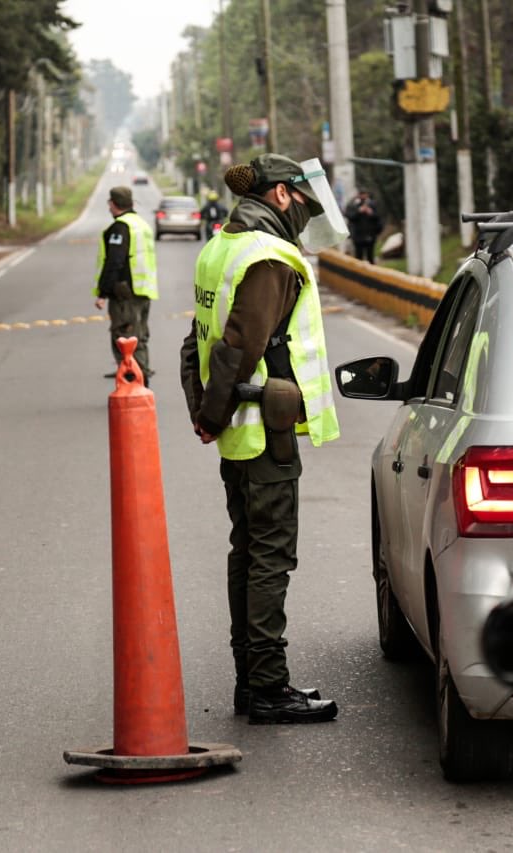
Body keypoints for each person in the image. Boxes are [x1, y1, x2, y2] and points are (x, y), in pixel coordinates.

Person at [180, 153, 346, 725]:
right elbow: (236, 347)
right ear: (280, 196)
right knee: (270, 557)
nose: (305, 217)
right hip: (261, 433)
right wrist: (215, 413)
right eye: (303, 204)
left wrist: (204, 414)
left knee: (248, 553)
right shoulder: (270, 256)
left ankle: (249, 684)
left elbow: (194, 342)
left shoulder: (220, 247)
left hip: (234, 434)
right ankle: (269, 688)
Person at [94, 185, 158, 383]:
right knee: (139, 337)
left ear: (113, 204)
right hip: (145, 290)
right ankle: (141, 378)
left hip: (125, 294)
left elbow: (114, 261)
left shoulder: (120, 228)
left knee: (125, 338)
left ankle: (133, 381)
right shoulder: (141, 224)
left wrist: (102, 293)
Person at [343, 188, 383, 264]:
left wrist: (371, 213)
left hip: (370, 234)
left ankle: (371, 274)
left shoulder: (373, 204)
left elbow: (379, 217)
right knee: (358, 257)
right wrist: (359, 211)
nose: (363, 196)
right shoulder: (353, 204)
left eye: (364, 194)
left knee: (370, 256)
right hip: (358, 235)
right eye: (361, 194)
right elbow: (349, 216)